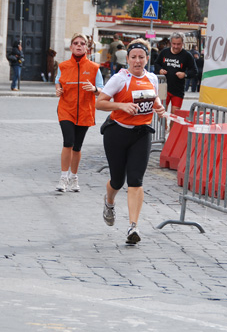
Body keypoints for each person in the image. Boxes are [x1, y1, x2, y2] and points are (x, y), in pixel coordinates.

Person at [96, 38, 165, 245]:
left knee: (135, 179)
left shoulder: (152, 78)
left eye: (141, 57)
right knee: (117, 180)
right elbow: (100, 103)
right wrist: (120, 106)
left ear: (146, 59)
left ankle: (133, 227)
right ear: (127, 59)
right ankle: (109, 202)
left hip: (141, 134)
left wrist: (159, 108)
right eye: (133, 57)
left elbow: (155, 99)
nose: (137, 61)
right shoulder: (120, 78)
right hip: (116, 133)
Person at [55, 33, 104, 192]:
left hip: (84, 110)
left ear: (87, 48)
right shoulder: (63, 66)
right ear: (71, 47)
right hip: (66, 109)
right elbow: (58, 82)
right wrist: (58, 90)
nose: (79, 45)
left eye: (82, 43)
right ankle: (63, 178)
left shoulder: (94, 68)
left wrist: (95, 89)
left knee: (77, 147)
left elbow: (102, 90)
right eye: (75, 43)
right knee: (68, 141)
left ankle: (74, 177)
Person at [155, 31, 197, 122]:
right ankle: (164, 130)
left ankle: (170, 134)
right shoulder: (164, 52)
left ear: (183, 43)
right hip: (163, 87)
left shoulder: (187, 55)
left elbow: (194, 71)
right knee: (161, 114)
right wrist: (160, 70)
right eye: (174, 44)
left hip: (178, 89)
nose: (176, 46)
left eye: (179, 44)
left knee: (175, 116)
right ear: (170, 43)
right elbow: (156, 64)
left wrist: (185, 74)